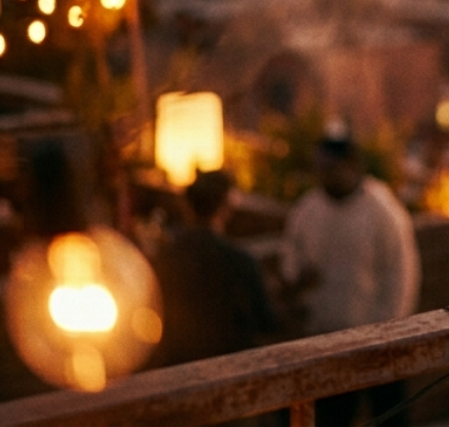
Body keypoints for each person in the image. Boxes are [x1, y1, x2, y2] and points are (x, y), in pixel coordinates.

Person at [282, 137, 419, 427]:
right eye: (318, 168)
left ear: (352, 166)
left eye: (330, 168)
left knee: (388, 416)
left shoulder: (383, 211)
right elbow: (292, 260)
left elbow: (401, 274)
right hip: (326, 338)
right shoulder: (307, 210)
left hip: (378, 337)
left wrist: (391, 329)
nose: (323, 175)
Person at [152, 169, 277, 367]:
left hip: (175, 368)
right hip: (228, 369)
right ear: (226, 206)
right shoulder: (240, 261)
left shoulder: (164, 257)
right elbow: (265, 322)